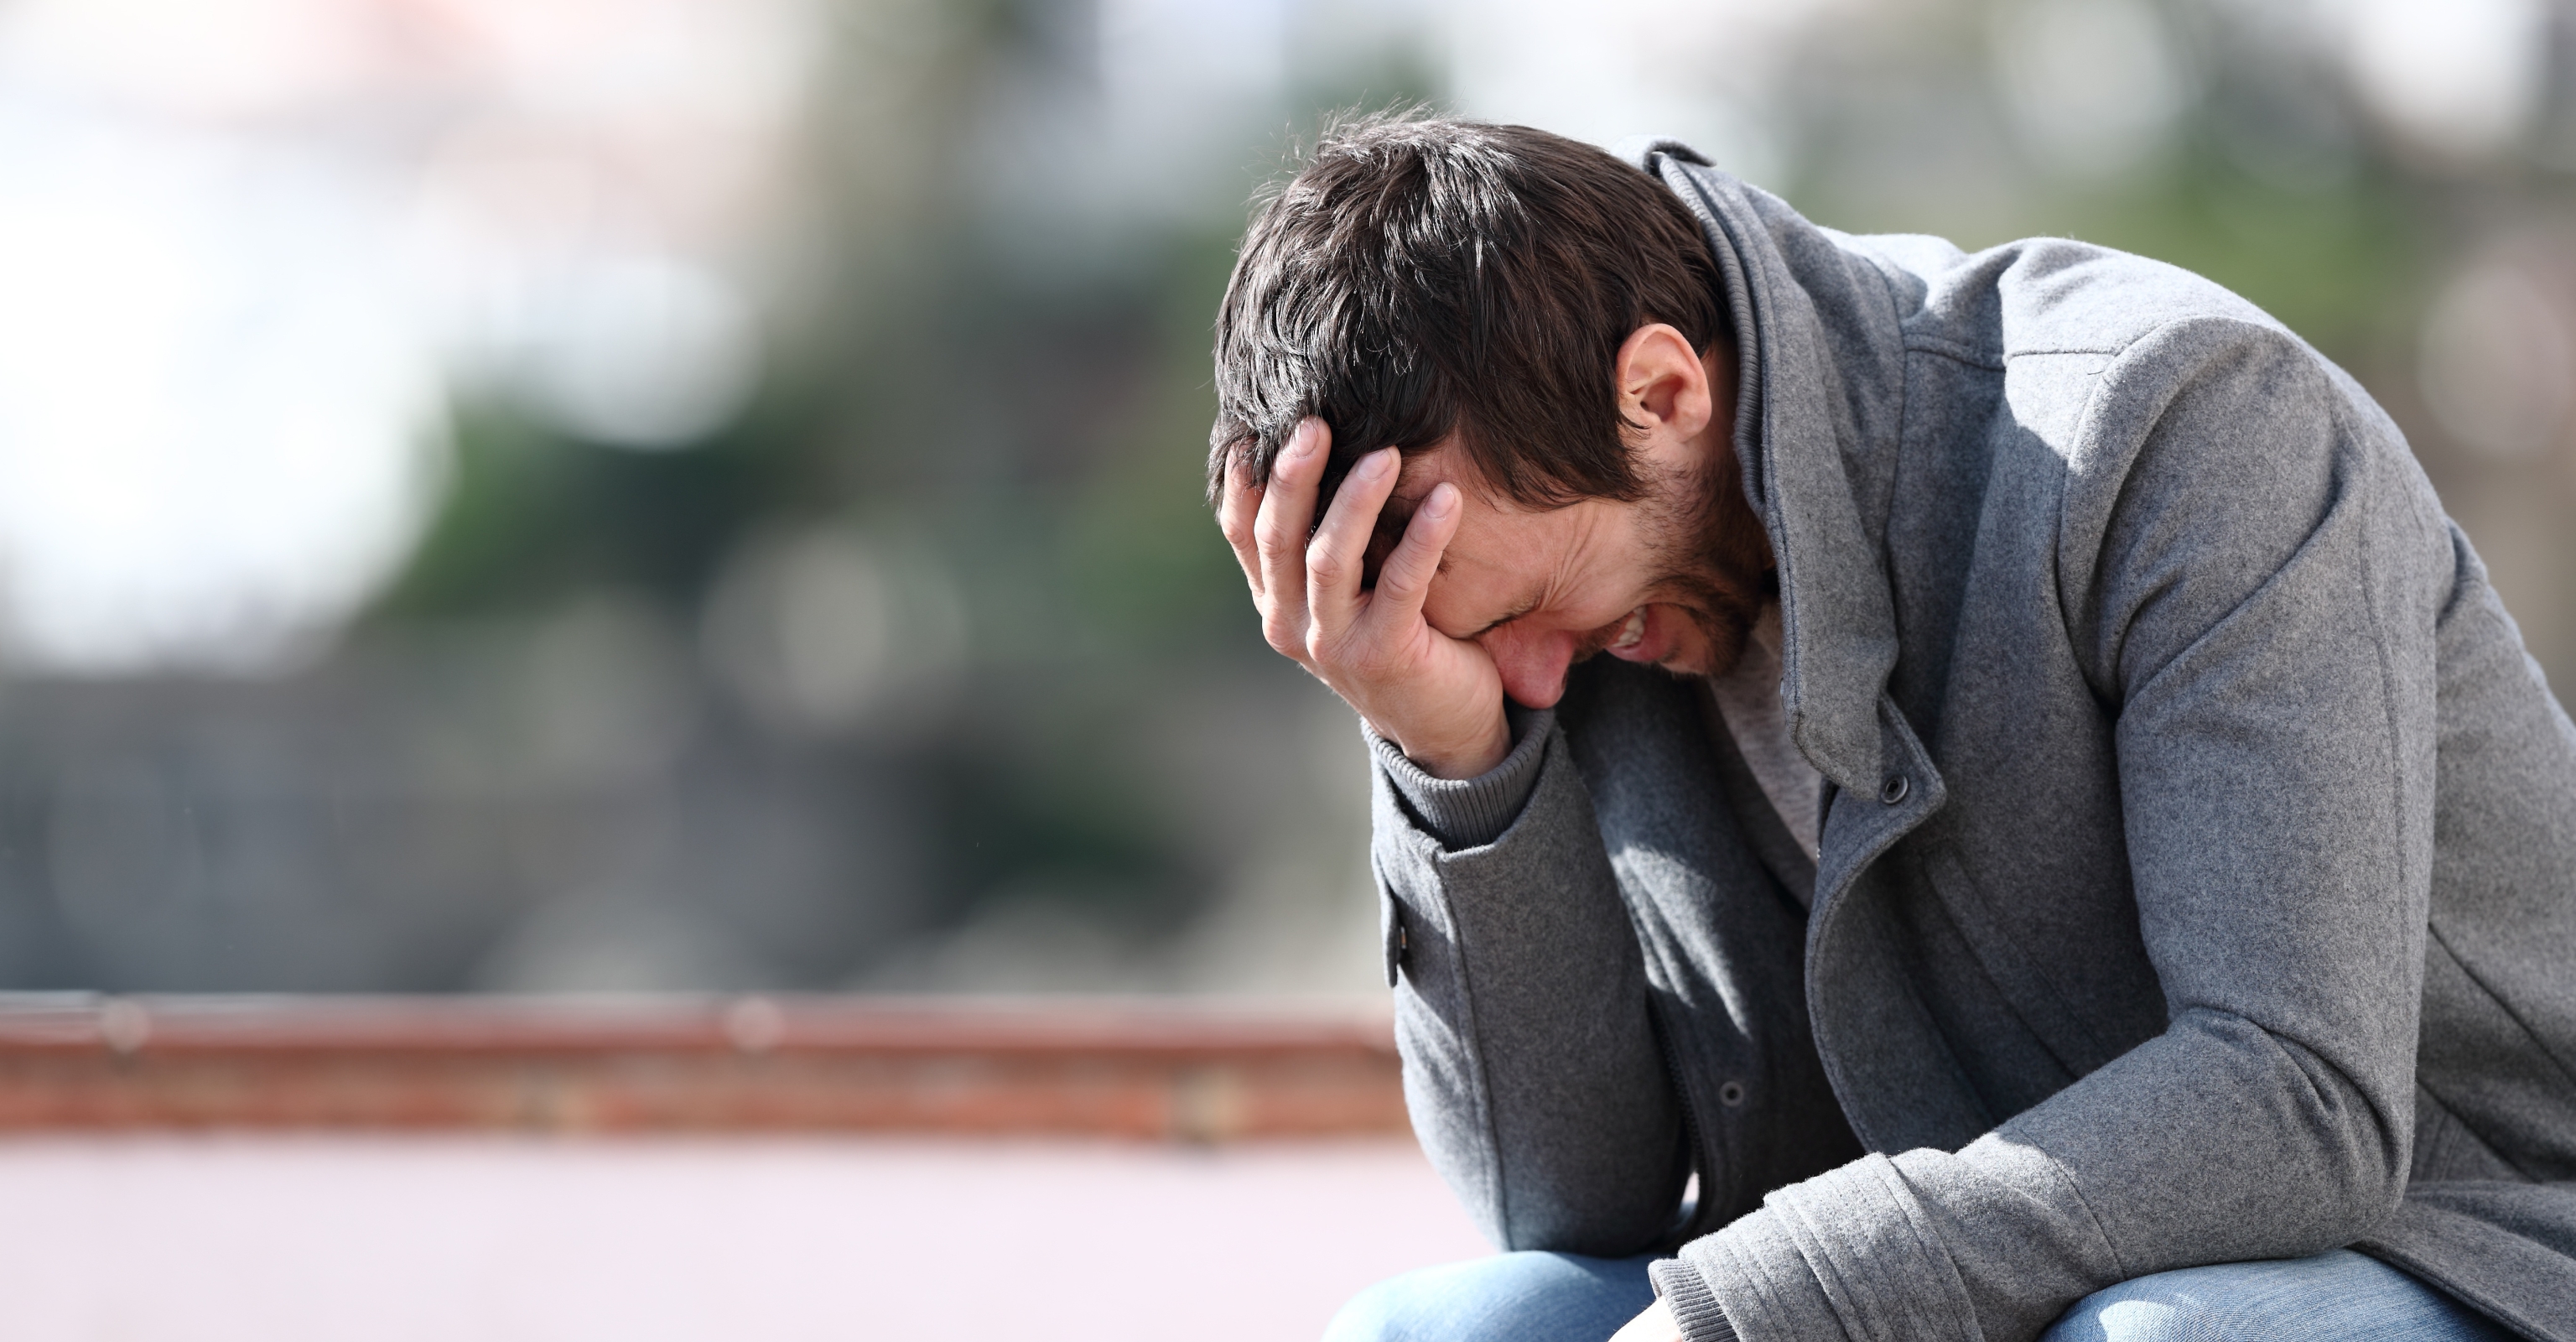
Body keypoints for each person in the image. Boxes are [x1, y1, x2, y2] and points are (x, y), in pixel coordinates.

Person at [1207, 113, 2576, 1342]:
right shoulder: (1566, 600)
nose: (1535, 682)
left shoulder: (2180, 427)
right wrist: (1455, 762)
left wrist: (1762, 1308)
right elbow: (1574, 1206)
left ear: (1663, 393)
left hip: (2460, 1230)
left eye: (1528, 609)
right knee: (1438, 1332)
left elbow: (2298, 1110)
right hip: (1961, 1265)